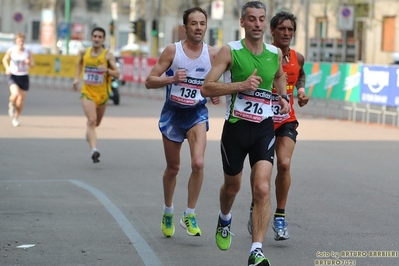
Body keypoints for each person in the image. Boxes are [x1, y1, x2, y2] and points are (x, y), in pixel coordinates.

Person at [201, 2, 290, 266]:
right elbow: (207, 87)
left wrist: (283, 96)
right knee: (233, 187)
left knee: (262, 188)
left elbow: (279, 76)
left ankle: (257, 250)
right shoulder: (231, 51)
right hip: (236, 129)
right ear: (243, 22)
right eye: (252, 19)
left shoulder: (274, 52)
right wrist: (240, 85)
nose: (258, 24)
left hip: (263, 127)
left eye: (262, 19)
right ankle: (225, 218)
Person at [145, 7, 219, 238]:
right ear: (185, 27)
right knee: (174, 168)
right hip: (173, 115)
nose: (198, 28)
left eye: (202, 23)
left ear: (207, 26)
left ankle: (190, 213)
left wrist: (216, 93)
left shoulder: (213, 54)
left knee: (198, 163)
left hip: (197, 113)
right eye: (194, 24)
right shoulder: (172, 51)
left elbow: (221, 81)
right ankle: (168, 211)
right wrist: (171, 78)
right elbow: (149, 81)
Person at [247, 11, 310, 241]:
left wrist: (300, 91)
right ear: (272, 31)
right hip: (261, 119)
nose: (286, 33)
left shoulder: (297, 57)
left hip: (285, 119)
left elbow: (300, 75)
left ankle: (280, 216)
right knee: (260, 171)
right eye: (282, 29)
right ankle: (256, 205)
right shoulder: (262, 54)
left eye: (290, 29)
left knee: (283, 164)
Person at [73, 27, 119, 163]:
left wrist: (107, 70)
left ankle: (89, 132)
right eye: (95, 36)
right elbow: (78, 65)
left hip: (103, 94)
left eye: (100, 37)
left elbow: (117, 73)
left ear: (103, 39)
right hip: (87, 92)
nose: (97, 39)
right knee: (92, 120)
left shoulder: (107, 55)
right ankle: (94, 150)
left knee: (95, 123)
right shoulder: (83, 53)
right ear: (91, 38)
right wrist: (76, 78)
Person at [2, 32, 35, 127]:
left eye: (23, 40)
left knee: (20, 101)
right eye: (19, 40)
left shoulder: (28, 52)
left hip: (24, 77)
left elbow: (33, 64)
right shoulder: (11, 50)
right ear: (16, 41)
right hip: (14, 76)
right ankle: (11, 104)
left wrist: (29, 62)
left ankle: (16, 118)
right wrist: (7, 68)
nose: (21, 42)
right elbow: (4, 59)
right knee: (15, 95)